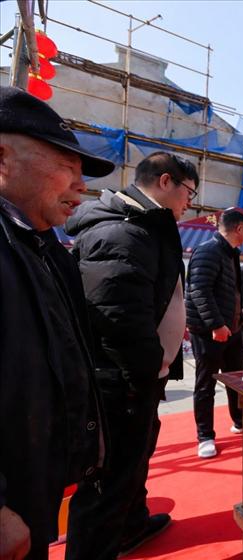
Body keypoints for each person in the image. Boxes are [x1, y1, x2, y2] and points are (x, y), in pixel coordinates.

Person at [63, 151, 196, 558]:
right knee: (109, 479)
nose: (190, 202)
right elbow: (117, 318)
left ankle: (132, 525)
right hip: (121, 380)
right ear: (166, 181)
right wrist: (145, 370)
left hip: (139, 376)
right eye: (189, 192)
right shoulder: (123, 233)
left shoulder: (144, 227)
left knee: (136, 459)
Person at [0, 86, 110, 559]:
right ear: (3, 158)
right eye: (67, 166)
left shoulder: (47, 250)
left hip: (33, 491)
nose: (81, 186)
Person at [186, 208, 243, 459]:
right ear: (239, 229)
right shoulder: (208, 251)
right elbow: (199, 291)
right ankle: (205, 436)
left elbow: (230, 291)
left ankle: (240, 421)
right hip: (209, 332)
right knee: (206, 384)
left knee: (236, 379)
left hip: (232, 329)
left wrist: (240, 310)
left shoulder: (230, 253)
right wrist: (215, 325)